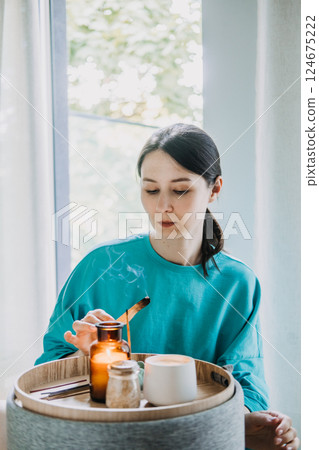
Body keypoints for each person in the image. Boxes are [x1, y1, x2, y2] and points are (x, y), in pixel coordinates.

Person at [36, 123, 300, 449]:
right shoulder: (100, 266)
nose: (162, 206)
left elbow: (249, 383)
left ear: (215, 189)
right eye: (150, 190)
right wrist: (84, 355)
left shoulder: (237, 283)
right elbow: (47, 369)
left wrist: (250, 426)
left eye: (180, 190)